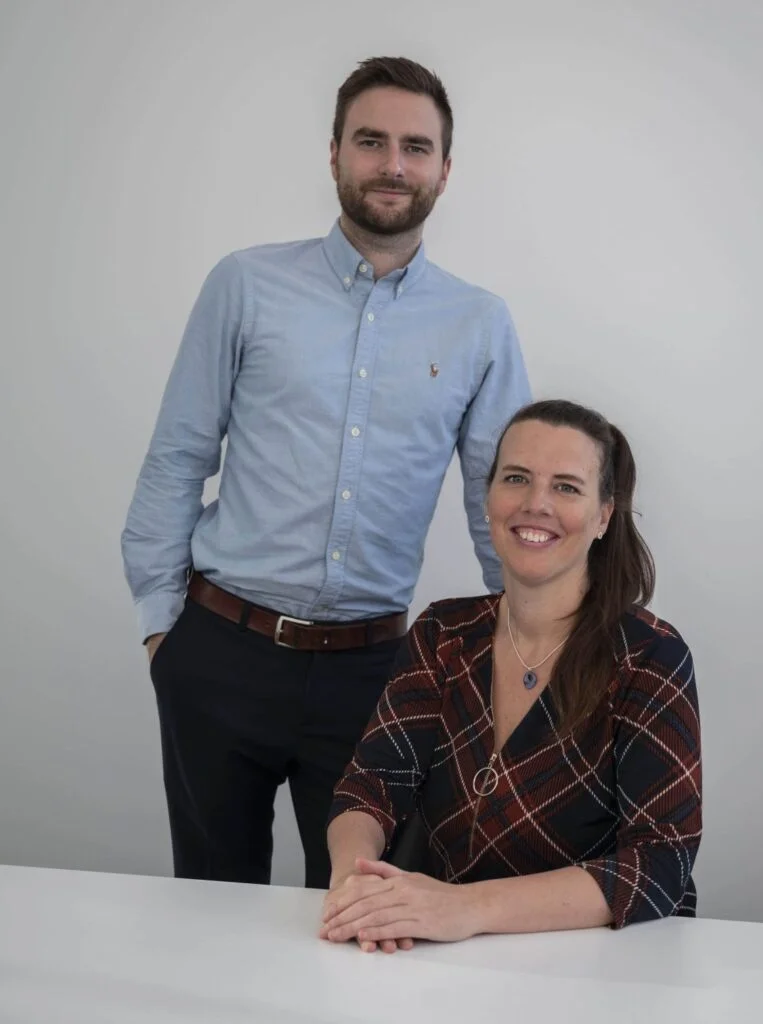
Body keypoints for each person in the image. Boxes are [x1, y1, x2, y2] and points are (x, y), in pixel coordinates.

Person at [121, 56, 531, 889]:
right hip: (219, 653)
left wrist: (522, 652)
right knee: (207, 912)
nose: (393, 164)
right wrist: (166, 634)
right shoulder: (246, 285)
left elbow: (504, 506)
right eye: (371, 140)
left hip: (375, 678)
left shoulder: (480, 325)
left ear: (445, 170)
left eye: (416, 146)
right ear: (335, 152)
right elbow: (177, 459)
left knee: (357, 918)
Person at [321, 400, 701, 951]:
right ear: (489, 496)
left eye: (567, 487)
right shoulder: (442, 633)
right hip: (441, 958)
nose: (535, 503)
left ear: (603, 516)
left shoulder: (651, 657)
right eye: (516, 478)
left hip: (602, 967)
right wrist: (356, 885)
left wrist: (468, 907)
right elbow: (372, 784)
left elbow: (659, 864)